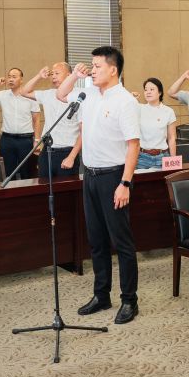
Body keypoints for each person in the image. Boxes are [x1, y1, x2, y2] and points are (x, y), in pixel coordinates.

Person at [54, 46, 144, 324]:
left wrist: (125, 183)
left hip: (114, 177)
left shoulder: (125, 101)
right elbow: (61, 94)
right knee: (96, 240)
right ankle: (101, 295)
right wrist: (75, 75)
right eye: (91, 66)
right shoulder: (89, 93)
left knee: (121, 242)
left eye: (97, 67)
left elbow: (133, 145)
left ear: (113, 70)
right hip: (90, 176)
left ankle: (129, 300)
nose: (92, 71)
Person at [18, 62, 84, 176]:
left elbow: (84, 132)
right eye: (52, 74)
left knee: (65, 187)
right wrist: (39, 76)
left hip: (67, 152)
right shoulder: (48, 94)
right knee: (43, 185)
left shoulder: (79, 96)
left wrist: (72, 157)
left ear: (69, 75)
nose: (53, 76)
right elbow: (24, 92)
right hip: (47, 152)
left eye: (57, 73)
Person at [0, 68, 39, 181]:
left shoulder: (30, 96)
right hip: (7, 140)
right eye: (9, 76)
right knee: (8, 174)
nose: (11, 79)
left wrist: (37, 140)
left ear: (21, 80)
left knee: (27, 173)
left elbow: (36, 119)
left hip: (26, 140)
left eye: (14, 77)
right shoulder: (2, 95)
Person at [134, 78, 177, 171]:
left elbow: (171, 138)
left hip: (162, 157)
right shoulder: (139, 108)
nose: (148, 92)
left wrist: (173, 160)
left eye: (152, 89)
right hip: (142, 158)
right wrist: (130, 98)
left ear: (160, 92)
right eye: (146, 89)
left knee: (163, 181)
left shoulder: (168, 111)